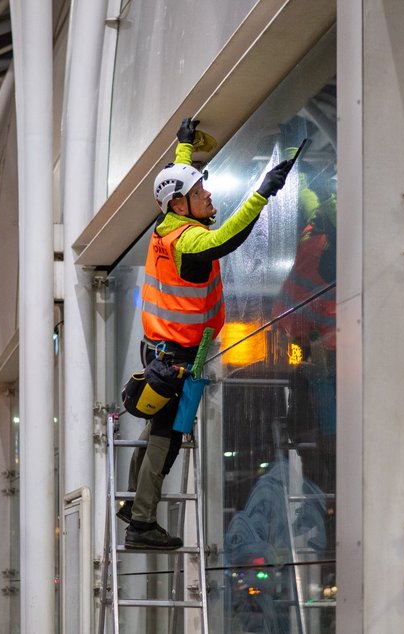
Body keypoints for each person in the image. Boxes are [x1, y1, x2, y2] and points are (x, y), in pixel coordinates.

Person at [118, 117, 299, 549]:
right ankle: (141, 524)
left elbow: (177, 183)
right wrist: (262, 193)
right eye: (201, 193)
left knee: (154, 431)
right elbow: (226, 240)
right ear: (181, 206)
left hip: (162, 352)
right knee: (167, 436)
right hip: (178, 359)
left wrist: (184, 148)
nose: (208, 195)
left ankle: (131, 507)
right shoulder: (190, 243)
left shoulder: (167, 227)